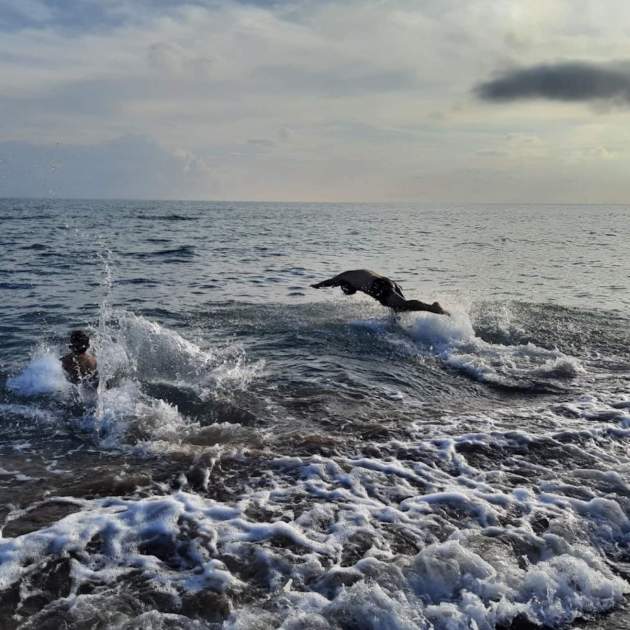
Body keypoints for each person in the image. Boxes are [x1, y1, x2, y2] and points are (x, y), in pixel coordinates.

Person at [311, 269, 449, 315]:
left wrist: (317, 285)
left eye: (345, 290)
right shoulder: (353, 275)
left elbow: (330, 281)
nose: (347, 292)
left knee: (402, 306)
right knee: (398, 310)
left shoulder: (344, 277)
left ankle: (433, 308)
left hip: (378, 286)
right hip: (388, 282)